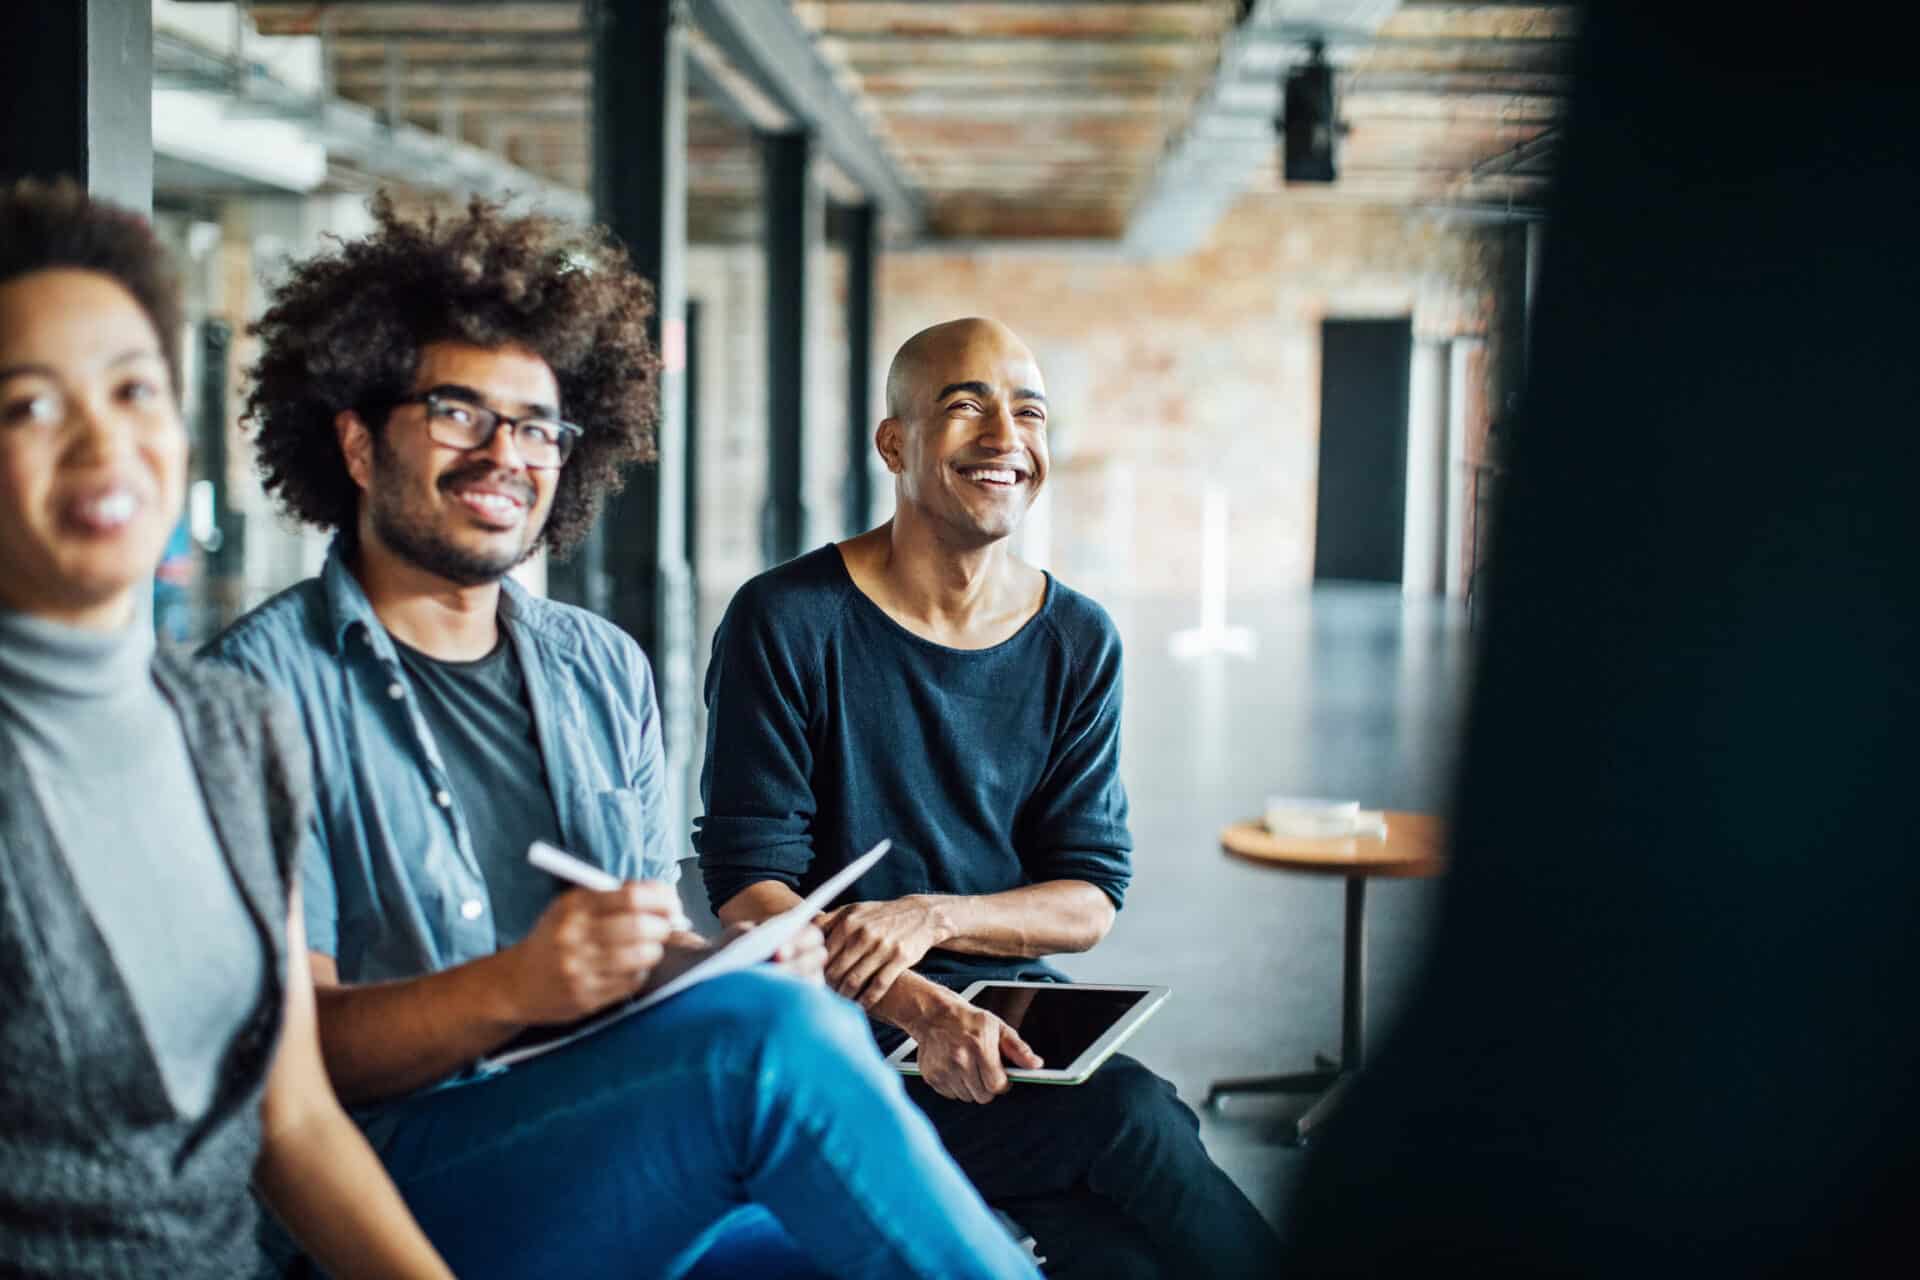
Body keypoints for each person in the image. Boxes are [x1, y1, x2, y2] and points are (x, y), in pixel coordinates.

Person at [200, 196, 1039, 1280]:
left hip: (603, 1138)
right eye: (460, 412)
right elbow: (283, 1070)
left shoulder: (600, 669)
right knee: (774, 1053)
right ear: (357, 441)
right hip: (393, 1181)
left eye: (541, 425)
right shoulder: (256, 693)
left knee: (845, 1209)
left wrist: (733, 959)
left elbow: (638, 960)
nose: (507, 452)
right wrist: (517, 983)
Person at [696, 317, 1283, 1279]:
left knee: (1120, 1244)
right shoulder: (788, 619)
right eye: (965, 405)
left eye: (1030, 412)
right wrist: (924, 1010)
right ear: (896, 444)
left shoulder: (1078, 639)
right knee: (1133, 1119)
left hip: (1003, 1034)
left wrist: (932, 915)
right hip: (831, 1048)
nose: (1005, 436)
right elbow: (751, 887)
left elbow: (1087, 897)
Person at [0, 178, 452, 1278]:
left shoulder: (233, 727)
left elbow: (293, 1121)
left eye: (133, 389)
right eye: (29, 405)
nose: (103, 440)